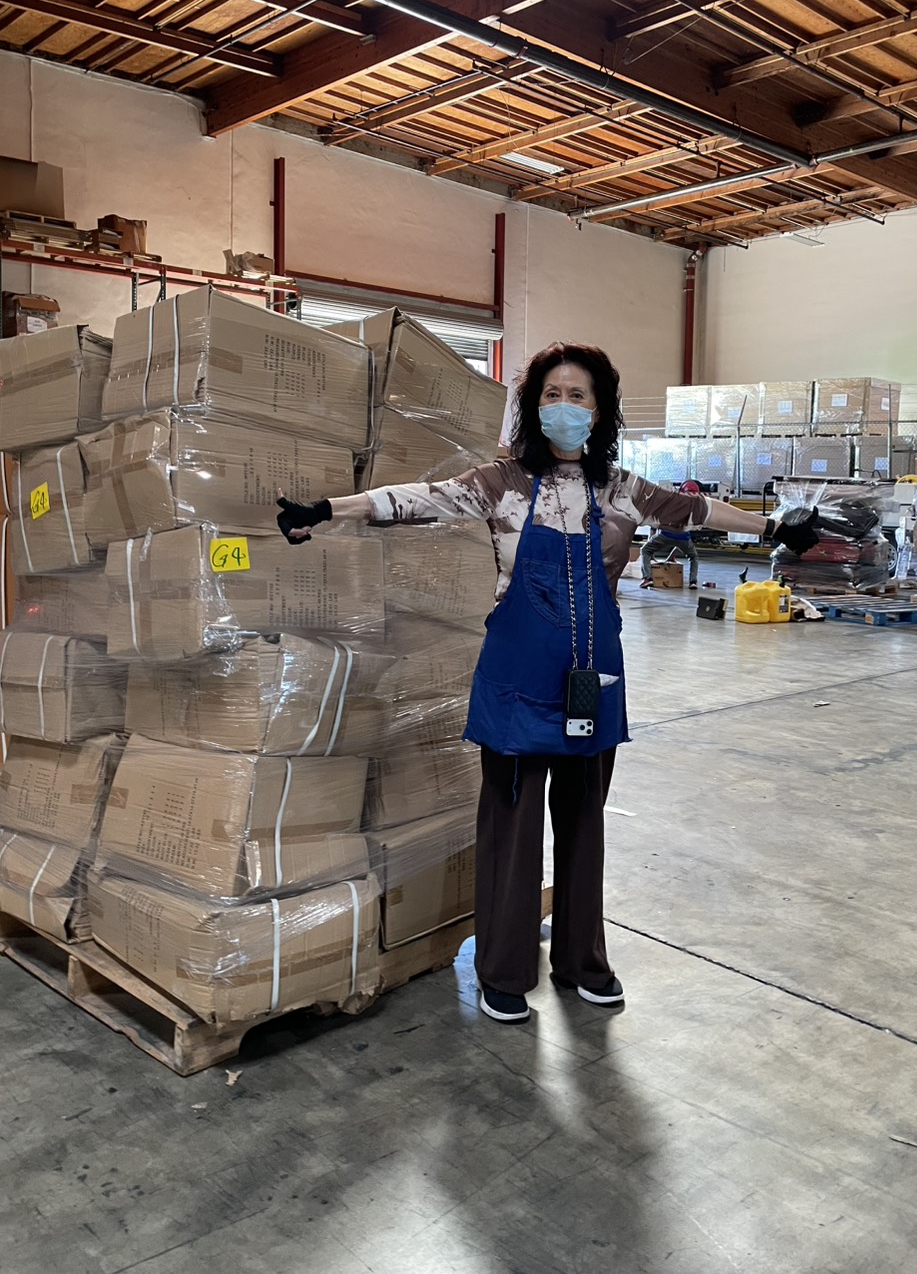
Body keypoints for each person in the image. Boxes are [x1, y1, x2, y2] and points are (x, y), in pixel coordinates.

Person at [276, 343, 818, 1026]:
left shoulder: (620, 489)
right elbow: (415, 499)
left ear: (600, 411)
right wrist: (327, 509)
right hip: (516, 680)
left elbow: (694, 511)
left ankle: (582, 960)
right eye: (552, 395)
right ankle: (503, 970)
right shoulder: (502, 483)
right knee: (512, 826)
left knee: (585, 821)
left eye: (578, 395)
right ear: (534, 408)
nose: (564, 406)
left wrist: (775, 525)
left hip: (593, 679)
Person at [639, 479, 704, 589]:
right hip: (684, 538)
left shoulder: (672, 500)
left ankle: (647, 579)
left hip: (666, 535)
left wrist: (652, 535)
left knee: (645, 550)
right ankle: (693, 582)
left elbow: (658, 518)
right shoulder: (696, 506)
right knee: (693, 556)